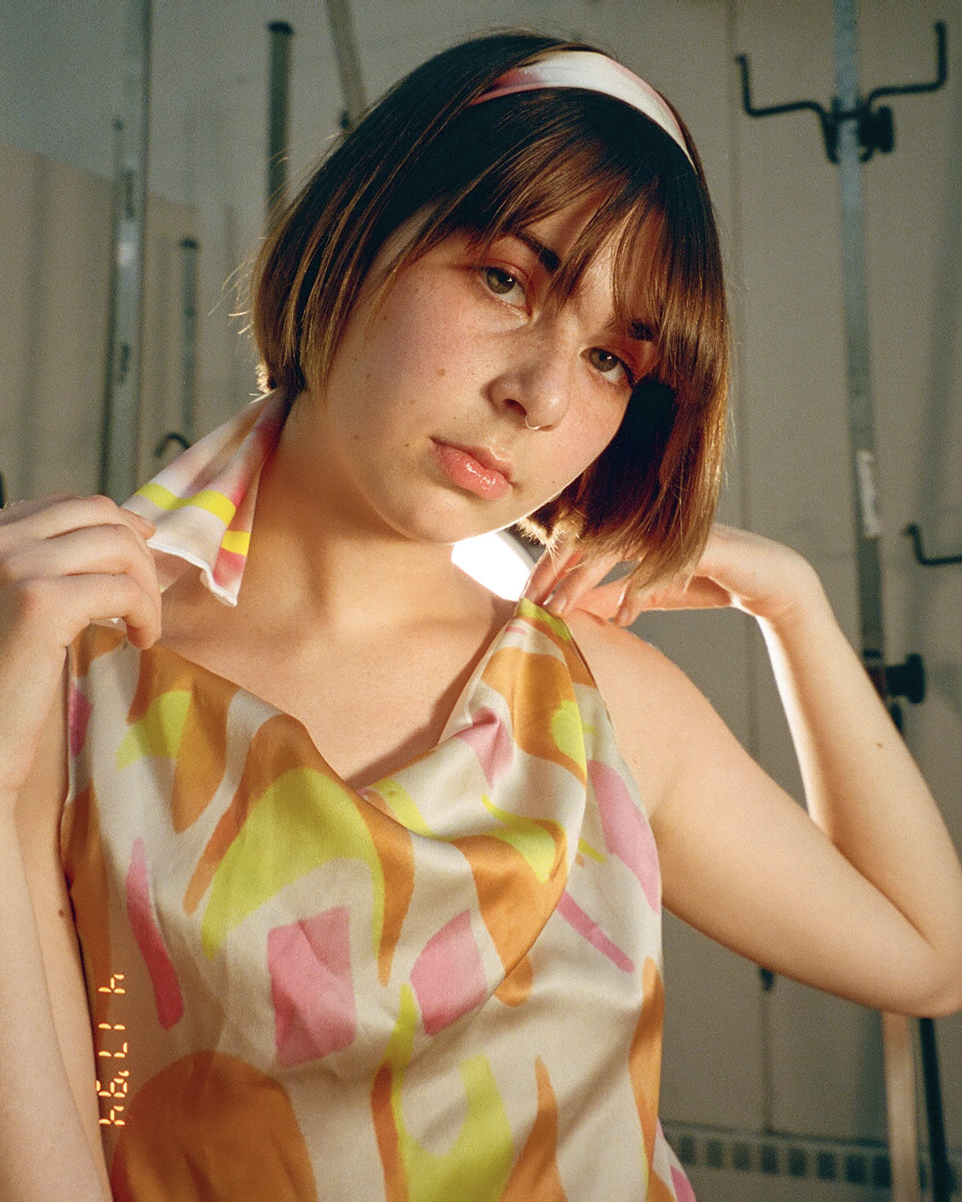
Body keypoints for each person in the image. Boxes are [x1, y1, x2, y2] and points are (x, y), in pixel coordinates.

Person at [1, 29, 961, 1202]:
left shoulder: (589, 700)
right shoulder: (70, 676)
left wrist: (791, 604)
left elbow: (926, 955)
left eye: (610, 360)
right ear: (357, 230)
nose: (539, 393)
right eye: (505, 278)